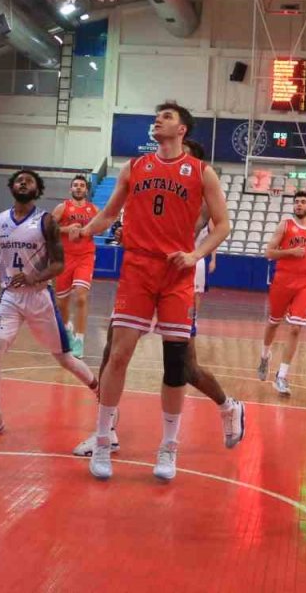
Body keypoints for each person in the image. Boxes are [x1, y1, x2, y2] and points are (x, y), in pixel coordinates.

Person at [71, 102, 231, 482]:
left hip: (176, 273)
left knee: (175, 364)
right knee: (119, 354)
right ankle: (105, 438)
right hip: (138, 269)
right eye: (156, 115)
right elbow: (110, 213)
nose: (157, 120)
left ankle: (169, 446)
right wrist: (87, 230)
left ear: (182, 131)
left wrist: (195, 254)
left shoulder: (202, 172)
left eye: (167, 117)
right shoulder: (134, 167)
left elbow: (223, 225)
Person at [0, 169, 98, 436]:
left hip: (39, 297)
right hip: (10, 298)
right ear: (11, 187)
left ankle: (101, 392)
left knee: (64, 358)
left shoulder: (46, 221)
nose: (23, 182)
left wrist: (34, 276)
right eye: (18, 180)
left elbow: (59, 264)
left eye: (29, 180)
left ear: (37, 190)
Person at [257, 189, 306, 395]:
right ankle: (265, 356)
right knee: (273, 323)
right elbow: (268, 252)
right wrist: (290, 252)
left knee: (296, 328)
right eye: (296, 202)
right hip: (283, 280)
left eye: (303, 202)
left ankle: (282, 376)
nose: (298, 205)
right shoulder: (285, 225)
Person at [52, 175, 98, 358]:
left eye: (82, 185)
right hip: (65, 258)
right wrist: (67, 229)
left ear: (86, 190)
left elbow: (101, 226)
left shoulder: (94, 209)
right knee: (62, 302)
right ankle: (68, 329)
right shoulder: (62, 208)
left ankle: (79, 339)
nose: (78, 188)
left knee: (80, 296)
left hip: (85, 257)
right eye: (75, 185)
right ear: (70, 189)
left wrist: (87, 230)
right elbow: (49, 228)